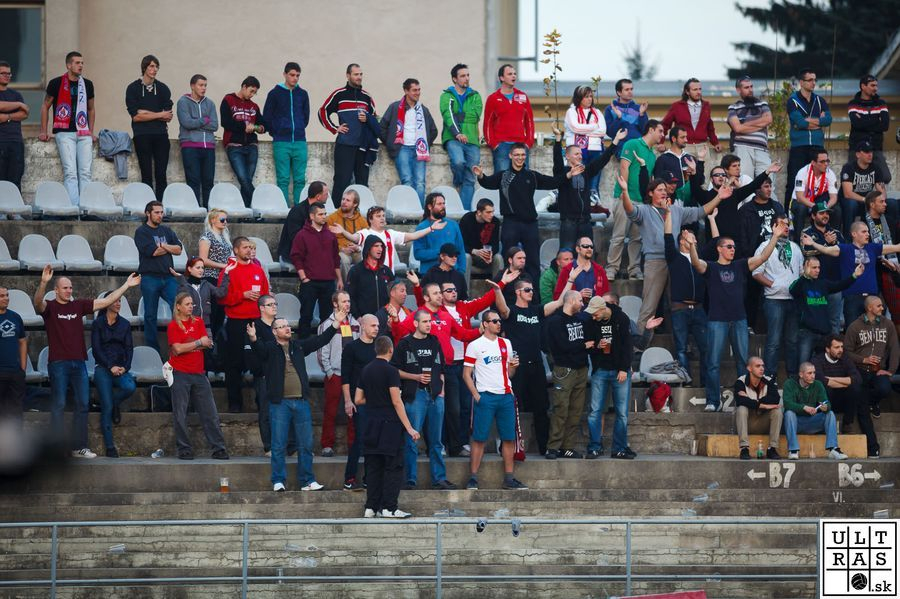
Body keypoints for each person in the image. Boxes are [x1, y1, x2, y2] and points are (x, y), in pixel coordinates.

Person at [34, 266, 140, 457]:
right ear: (56, 290)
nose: (69, 291)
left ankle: (79, 447)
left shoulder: (78, 305)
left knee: (83, 404)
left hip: (79, 363)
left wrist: (126, 285)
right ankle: (57, 448)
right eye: (65, 288)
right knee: (59, 405)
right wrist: (43, 282)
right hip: (58, 363)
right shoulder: (50, 307)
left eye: (70, 287)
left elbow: (106, 300)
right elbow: (37, 304)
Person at [689, 217, 787, 411]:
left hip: (739, 319)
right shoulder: (712, 267)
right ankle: (713, 401)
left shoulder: (740, 265)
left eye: (734, 246)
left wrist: (775, 237)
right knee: (713, 363)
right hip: (717, 320)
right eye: (729, 246)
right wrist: (692, 246)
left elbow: (762, 258)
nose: (733, 249)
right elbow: (696, 264)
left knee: (743, 363)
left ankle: (744, 400)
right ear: (719, 249)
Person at [620, 170, 731, 341]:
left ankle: (680, 344)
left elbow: (700, 212)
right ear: (651, 193)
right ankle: (639, 344)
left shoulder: (676, 210)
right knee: (649, 306)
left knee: (679, 305)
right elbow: (629, 210)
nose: (664, 192)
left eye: (665, 189)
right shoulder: (645, 210)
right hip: (655, 261)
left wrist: (719, 198)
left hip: (676, 261)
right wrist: (625, 192)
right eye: (660, 189)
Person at [248, 308, 344, 492]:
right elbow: (259, 350)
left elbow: (319, 340)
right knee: (278, 444)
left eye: (288, 326)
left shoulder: (297, 346)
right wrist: (253, 338)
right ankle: (278, 480)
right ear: (274, 331)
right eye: (282, 326)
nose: (287, 328)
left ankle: (307, 480)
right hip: (280, 403)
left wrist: (335, 324)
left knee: (306, 444)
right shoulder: (270, 348)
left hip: (301, 402)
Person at [438, 274, 513, 457]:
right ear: (440, 294)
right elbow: (420, 301)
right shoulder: (437, 311)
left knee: (465, 407)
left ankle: (462, 442)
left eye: (455, 289)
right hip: (446, 365)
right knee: (450, 408)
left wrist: (501, 284)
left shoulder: (463, 307)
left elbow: (484, 301)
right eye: (449, 290)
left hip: (465, 361)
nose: (453, 292)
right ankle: (444, 443)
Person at [494, 276, 568, 455]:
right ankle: (507, 446)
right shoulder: (511, 311)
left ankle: (545, 448)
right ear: (518, 292)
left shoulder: (536, 310)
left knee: (541, 408)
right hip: (517, 366)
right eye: (527, 290)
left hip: (536, 365)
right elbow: (502, 309)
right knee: (511, 407)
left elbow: (559, 302)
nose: (531, 292)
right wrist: (497, 289)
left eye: (532, 290)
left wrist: (571, 280)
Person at [473, 145, 560, 282]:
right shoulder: (503, 175)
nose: (520, 158)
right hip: (510, 223)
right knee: (509, 259)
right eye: (517, 155)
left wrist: (568, 175)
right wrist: (480, 175)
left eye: (523, 155)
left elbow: (552, 182)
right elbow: (488, 182)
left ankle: (533, 291)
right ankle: (507, 289)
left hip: (530, 224)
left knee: (533, 260)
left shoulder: (532, 175)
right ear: (510, 156)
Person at [463, 310, 527, 490]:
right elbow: (466, 374)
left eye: (499, 321)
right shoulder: (475, 345)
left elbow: (510, 373)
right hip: (486, 396)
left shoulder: (506, 343)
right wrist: (477, 396)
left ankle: (509, 478)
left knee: (508, 438)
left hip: (505, 395)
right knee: (479, 438)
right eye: (494, 321)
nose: (499, 324)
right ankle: (473, 477)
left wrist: (514, 367)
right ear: (485, 324)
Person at [356, 335, 419, 518]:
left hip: (370, 424)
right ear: (391, 350)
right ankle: (389, 508)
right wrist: (409, 428)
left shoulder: (366, 370)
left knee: (373, 467)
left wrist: (375, 399)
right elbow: (396, 401)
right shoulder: (391, 371)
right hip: (389, 425)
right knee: (393, 467)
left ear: (376, 349)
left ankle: (371, 507)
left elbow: (358, 399)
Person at [392, 309, 453, 490]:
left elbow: (441, 369)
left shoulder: (435, 341)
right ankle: (410, 480)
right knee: (411, 439)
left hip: (435, 395)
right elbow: (394, 370)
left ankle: (439, 479)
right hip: (415, 395)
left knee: (436, 441)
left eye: (430, 321)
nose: (429, 324)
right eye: (425, 321)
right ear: (415, 323)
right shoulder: (405, 344)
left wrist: (442, 392)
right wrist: (415, 377)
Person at [167, 292, 228, 460]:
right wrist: (198, 343)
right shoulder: (173, 326)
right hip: (180, 373)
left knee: (210, 413)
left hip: (199, 372)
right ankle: (184, 449)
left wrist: (190, 344)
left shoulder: (198, 321)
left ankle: (218, 448)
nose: (191, 307)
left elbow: (207, 343)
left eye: (192, 304)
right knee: (180, 414)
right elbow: (177, 349)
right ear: (178, 306)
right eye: (187, 304)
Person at [801, 220, 900, 325]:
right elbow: (827, 250)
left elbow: (897, 247)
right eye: (864, 232)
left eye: (867, 231)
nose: (867, 234)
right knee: (853, 331)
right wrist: (813, 243)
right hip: (852, 298)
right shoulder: (845, 248)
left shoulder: (874, 247)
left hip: (872, 297)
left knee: (873, 331)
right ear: (854, 234)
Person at [607, 120, 665, 281]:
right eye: (660, 131)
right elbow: (624, 167)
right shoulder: (632, 144)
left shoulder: (652, 155)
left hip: (642, 202)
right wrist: (623, 192)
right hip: (626, 198)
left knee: (637, 238)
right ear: (651, 130)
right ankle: (611, 269)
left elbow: (650, 178)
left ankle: (634, 269)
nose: (662, 135)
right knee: (619, 236)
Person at [551, 126, 625, 249]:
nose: (580, 156)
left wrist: (616, 140)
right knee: (567, 254)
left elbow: (603, 159)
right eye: (576, 154)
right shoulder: (562, 172)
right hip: (569, 222)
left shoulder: (586, 171)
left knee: (588, 254)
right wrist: (558, 140)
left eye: (581, 153)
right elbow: (557, 160)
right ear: (567, 156)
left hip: (585, 222)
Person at [218, 236, 270, 412]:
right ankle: (235, 403)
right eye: (245, 247)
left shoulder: (258, 270)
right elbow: (221, 298)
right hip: (236, 322)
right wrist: (243, 295)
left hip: (256, 321)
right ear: (236, 250)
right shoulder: (228, 271)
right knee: (234, 363)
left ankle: (262, 402)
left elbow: (265, 296)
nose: (249, 250)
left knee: (261, 362)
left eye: (250, 247)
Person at [39, 51, 95, 205]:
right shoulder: (56, 83)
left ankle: (86, 208)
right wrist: (43, 131)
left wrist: (91, 131)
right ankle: (73, 208)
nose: (81, 66)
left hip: (83, 133)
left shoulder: (87, 84)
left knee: (86, 173)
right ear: (68, 65)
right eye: (77, 63)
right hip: (64, 133)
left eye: (82, 63)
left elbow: (91, 109)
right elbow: (45, 106)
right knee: (70, 173)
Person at [319, 63, 378, 208]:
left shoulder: (366, 97)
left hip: (363, 147)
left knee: (362, 183)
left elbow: (375, 119)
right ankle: (335, 213)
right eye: (356, 74)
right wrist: (335, 128)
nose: (359, 77)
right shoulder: (339, 94)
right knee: (341, 181)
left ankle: (360, 214)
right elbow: (322, 112)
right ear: (348, 75)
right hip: (344, 145)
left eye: (361, 74)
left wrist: (368, 118)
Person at [582, 295, 634, 459]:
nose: (593, 317)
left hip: (620, 370)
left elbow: (628, 346)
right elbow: (588, 345)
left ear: (603, 309)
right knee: (595, 411)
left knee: (622, 413)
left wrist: (624, 368)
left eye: (595, 313)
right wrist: (597, 346)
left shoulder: (621, 318)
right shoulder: (590, 322)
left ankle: (619, 448)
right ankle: (594, 447)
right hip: (600, 370)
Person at [752, 215, 803, 378]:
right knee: (773, 341)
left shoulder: (795, 247)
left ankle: (793, 377)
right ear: (773, 226)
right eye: (782, 224)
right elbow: (756, 273)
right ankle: (770, 377)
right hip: (774, 300)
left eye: (788, 224)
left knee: (792, 341)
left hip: (793, 300)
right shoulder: (764, 246)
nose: (786, 227)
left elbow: (801, 272)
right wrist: (774, 285)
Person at [812, 335, 880, 458]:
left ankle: (848, 424)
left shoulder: (845, 359)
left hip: (844, 400)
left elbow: (857, 379)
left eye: (842, 347)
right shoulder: (817, 360)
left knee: (856, 389)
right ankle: (823, 424)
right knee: (824, 388)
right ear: (827, 349)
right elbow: (821, 381)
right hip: (826, 401)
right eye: (836, 347)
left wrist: (832, 379)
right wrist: (845, 382)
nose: (840, 350)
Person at [331, 205, 446, 275]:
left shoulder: (390, 234)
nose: (382, 218)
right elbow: (354, 238)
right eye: (378, 216)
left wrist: (431, 228)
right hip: (370, 276)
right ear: (370, 220)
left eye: (383, 216)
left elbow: (413, 236)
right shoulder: (365, 233)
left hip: (389, 276)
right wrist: (343, 232)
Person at [664, 209, 708, 385]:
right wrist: (668, 213)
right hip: (680, 309)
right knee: (681, 348)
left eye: (695, 238)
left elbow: (717, 243)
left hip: (699, 309)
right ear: (682, 240)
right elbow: (668, 237)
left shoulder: (700, 258)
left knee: (706, 348)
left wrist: (712, 219)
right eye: (690, 237)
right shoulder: (674, 257)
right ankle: (686, 383)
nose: (694, 240)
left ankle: (705, 383)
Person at [544, 290, 590, 459]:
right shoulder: (555, 321)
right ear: (571, 301)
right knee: (561, 408)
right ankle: (553, 447)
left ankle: (568, 447)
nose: (582, 304)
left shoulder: (580, 319)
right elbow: (562, 346)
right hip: (564, 370)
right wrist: (583, 346)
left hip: (581, 369)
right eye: (580, 301)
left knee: (576, 410)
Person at [791, 255, 862, 363]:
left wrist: (854, 275)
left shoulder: (822, 283)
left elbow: (839, 285)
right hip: (807, 333)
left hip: (824, 333)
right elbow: (792, 290)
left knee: (824, 366)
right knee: (803, 364)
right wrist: (804, 276)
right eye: (814, 267)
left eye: (818, 267)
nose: (817, 270)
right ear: (805, 267)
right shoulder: (801, 283)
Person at [90, 296, 137, 458]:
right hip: (103, 368)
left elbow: (129, 348)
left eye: (119, 301)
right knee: (107, 407)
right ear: (107, 303)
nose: (118, 304)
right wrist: (110, 366)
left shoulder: (125, 324)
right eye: (115, 301)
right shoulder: (98, 324)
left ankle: (114, 402)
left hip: (120, 369)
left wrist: (125, 367)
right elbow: (96, 349)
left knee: (129, 387)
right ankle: (110, 447)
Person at [134, 200, 183, 354]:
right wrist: (169, 248)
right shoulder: (141, 232)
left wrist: (163, 246)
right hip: (150, 277)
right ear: (148, 213)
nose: (160, 215)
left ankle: (179, 344)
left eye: (161, 212)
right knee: (150, 315)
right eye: (156, 212)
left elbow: (179, 249)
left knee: (179, 308)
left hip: (168, 277)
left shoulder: (167, 230)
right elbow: (153, 252)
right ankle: (153, 351)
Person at [379, 78, 437, 206]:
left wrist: (424, 145)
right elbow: (382, 127)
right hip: (402, 149)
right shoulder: (395, 107)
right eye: (414, 90)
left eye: (419, 90)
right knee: (407, 181)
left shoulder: (423, 110)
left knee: (420, 183)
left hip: (419, 150)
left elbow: (433, 131)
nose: (418, 93)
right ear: (406, 91)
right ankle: (409, 210)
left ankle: (420, 212)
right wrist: (390, 144)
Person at [316, 290, 358, 458]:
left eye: (349, 301)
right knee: (330, 411)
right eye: (343, 301)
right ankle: (327, 445)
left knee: (353, 411)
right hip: (335, 374)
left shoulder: (355, 323)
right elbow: (322, 350)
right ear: (335, 304)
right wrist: (329, 371)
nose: (347, 304)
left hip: (352, 374)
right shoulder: (327, 325)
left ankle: (353, 445)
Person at [291, 202, 342, 338]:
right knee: (306, 316)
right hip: (310, 282)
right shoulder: (302, 235)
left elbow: (335, 258)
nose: (324, 216)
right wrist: (304, 278)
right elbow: (296, 257)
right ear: (312, 216)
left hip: (328, 282)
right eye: (320, 214)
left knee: (327, 317)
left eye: (325, 214)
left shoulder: (330, 235)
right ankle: (303, 346)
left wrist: (339, 279)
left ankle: (326, 346)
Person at [843, 295, 899, 420]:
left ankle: (872, 402)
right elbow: (846, 351)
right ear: (869, 308)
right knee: (855, 390)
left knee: (884, 389)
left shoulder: (888, 324)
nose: (882, 308)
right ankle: (861, 407)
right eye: (879, 306)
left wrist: (891, 370)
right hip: (859, 369)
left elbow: (894, 348)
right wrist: (864, 359)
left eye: (882, 305)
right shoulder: (855, 326)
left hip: (878, 370)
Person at [125, 55, 172, 200]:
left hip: (161, 135)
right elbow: (136, 117)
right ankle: (148, 205)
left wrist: (145, 112)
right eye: (151, 66)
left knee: (161, 174)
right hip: (142, 135)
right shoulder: (133, 88)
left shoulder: (163, 89)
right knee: (146, 175)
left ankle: (161, 205)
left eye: (156, 66)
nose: (154, 69)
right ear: (144, 67)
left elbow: (168, 116)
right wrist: (159, 114)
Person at [341, 314, 380, 491]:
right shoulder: (352, 348)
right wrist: (348, 401)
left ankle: (369, 478)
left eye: (377, 326)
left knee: (375, 440)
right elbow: (345, 377)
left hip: (377, 401)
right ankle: (349, 477)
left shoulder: (379, 348)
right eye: (373, 325)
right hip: (359, 400)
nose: (376, 328)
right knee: (360, 438)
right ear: (363, 326)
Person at [263, 62, 309, 207]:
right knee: (282, 179)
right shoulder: (274, 94)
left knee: (300, 179)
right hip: (281, 142)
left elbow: (306, 117)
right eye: (292, 75)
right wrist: (276, 131)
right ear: (285, 74)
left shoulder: (303, 94)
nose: (295, 78)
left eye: (297, 75)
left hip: (300, 141)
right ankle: (283, 210)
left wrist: (299, 127)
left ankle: (299, 209)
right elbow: (267, 116)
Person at [782, 362, 847, 460]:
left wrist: (825, 407)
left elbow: (827, 403)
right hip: (795, 423)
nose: (813, 376)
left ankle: (833, 449)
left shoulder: (818, 384)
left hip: (812, 422)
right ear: (801, 374)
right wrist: (804, 407)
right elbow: (787, 404)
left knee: (830, 414)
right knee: (789, 413)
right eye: (809, 373)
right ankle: (793, 450)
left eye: (814, 373)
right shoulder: (789, 383)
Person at [785, 68, 832, 203]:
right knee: (794, 181)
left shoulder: (820, 100)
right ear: (801, 82)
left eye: (814, 80)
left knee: (819, 182)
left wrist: (808, 121)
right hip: (799, 147)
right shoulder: (793, 101)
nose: (813, 83)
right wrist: (818, 122)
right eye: (810, 80)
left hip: (817, 147)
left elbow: (828, 120)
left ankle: (817, 211)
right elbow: (799, 122)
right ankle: (787, 212)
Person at [440, 63, 483, 210]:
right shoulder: (446, 96)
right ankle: (457, 181)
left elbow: (475, 116)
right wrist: (458, 133)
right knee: (458, 162)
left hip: (472, 139)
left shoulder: (475, 95)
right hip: (453, 138)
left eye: (468, 75)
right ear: (454, 79)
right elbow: (448, 115)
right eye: (463, 76)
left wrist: (459, 115)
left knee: (470, 178)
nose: (467, 78)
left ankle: (465, 212)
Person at [800, 201, 845, 334]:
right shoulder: (806, 232)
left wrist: (834, 243)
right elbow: (806, 252)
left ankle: (834, 347)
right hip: (815, 285)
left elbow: (844, 252)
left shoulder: (836, 233)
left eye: (827, 213)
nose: (825, 215)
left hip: (834, 284)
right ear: (813, 216)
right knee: (816, 321)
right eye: (821, 213)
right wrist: (826, 243)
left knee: (835, 322)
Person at [221, 75, 265, 206]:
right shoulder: (228, 100)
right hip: (234, 146)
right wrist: (244, 126)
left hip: (251, 146)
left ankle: (246, 211)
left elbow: (263, 126)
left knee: (247, 180)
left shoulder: (254, 106)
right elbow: (225, 122)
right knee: (243, 179)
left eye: (255, 92)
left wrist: (255, 127)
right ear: (244, 87)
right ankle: (260, 204)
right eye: (251, 91)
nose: (252, 94)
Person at [483, 64, 534, 171]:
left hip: (520, 145)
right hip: (501, 146)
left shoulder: (523, 96)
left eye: (514, 74)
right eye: (510, 74)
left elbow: (529, 122)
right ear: (501, 78)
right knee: (503, 178)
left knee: (523, 178)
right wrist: (494, 144)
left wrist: (528, 143)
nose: (513, 76)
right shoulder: (493, 98)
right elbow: (487, 124)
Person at [176, 74, 217, 207]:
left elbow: (214, 125)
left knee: (208, 181)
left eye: (205, 85)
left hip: (209, 147)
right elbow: (186, 123)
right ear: (192, 86)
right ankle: (194, 211)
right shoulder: (183, 102)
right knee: (193, 181)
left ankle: (208, 212)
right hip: (190, 146)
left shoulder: (210, 103)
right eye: (200, 85)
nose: (203, 88)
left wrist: (196, 122)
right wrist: (205, 120)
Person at [661, 78, 721, 168]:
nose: (698, 92)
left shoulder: (706, 105)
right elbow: (665, 125)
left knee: (705, 175)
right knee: (685, 174)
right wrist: (660, 142)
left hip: (702, 146)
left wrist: (715, 143)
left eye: (700, 89)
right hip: (684, 146)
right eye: (695, 89)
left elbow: (709, 127)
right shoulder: (677, 106)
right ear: (687, 92)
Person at [734, 356, 783, 460]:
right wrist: (763, 405)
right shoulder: (740, 381)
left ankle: (772, 449)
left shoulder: (768, 380)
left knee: (777, 411)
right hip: (748, 423)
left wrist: (752, 401)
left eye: (762, 366)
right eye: (757, 366)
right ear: (749, 368)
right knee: (741, 408)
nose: (762, 368)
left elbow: (775, 399)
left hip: (764, 422)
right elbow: (740, 401)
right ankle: (744, 448)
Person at [564, 85, 608, 198]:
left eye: (591, 96)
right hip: (577, 151)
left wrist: (582, 131)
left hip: (595, 150)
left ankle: (594, 203)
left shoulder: (597, 112)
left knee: (594, 185)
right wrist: (594, 126)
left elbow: (602, 131)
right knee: (578, 182)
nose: (590, 99)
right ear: (579, 98)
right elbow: (575, 128)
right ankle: (578, 203)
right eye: (586, 97)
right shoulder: (571, 111)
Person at [840, 141, 891, 235]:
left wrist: (881, 201)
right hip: (850, 200)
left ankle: (889, 237)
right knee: (851, 205)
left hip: (866, 201)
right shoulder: (849, 167)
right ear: (858, 154)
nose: (870, 154)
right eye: (867, 152)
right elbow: (848, 194)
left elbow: (881, 190)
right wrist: (866, 199)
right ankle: (848, 237)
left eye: (871, 152)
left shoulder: (876, 168)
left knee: (892, 204)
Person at [727, 76, 773, 179]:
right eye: (746, 87)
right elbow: (737, 129)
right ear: (738, 90)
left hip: (762, 148)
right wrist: (761, 123)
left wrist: (745, 124)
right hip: (742, 148)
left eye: (751, 86)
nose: (750, 90)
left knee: (768, 180)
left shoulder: (762, 104)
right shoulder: (733, 107)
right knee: (745, 181)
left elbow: (769, 120)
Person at [848, 75, 891, 184]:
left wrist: (863, 121)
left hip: (875, 148)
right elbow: (856, 124)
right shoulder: (853, 103)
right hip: (856, 149)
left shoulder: (881, 103)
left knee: (885, 177)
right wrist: (876, 121)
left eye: (876, 86)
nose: (876, 88)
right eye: (872, 85)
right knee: (852, 179)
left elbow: (885, 126)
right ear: (863, 86)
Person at [197, 208, 232, 336]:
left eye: (226, 219)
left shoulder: (224, 237)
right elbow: (203, 260)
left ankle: (216, 341)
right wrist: (223, 266)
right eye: (222, 219)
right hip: (210, 277)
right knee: (212, 311)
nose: (225, 222)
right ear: (213, 220)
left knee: (221, 312)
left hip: (223, 278)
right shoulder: (206, 237)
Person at [790, 149, 838, 240]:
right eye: (822, 162)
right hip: (801, 201)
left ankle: (835, 239)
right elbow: (799, 197)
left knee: (837, 209)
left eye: (827, 161)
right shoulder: (802, 172)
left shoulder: (830, 173)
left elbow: (834, 197)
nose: (826, 164)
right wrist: (815, 207)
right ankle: (798, 240)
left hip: (818, 199)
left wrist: (826, 207)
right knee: (801, 209)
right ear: (813, 163)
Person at [414, 192, 466, 274]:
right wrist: (441, 252)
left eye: (444, 203)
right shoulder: (422, 227)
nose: (443, 206)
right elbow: (418, 254)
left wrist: (461, 271)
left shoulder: (453, 225)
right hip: (430, 274)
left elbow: (460, 250)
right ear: (430, 207)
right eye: (439, 204)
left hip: (452, 273)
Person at [277, 180, 329, 264]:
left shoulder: (320, 209)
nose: (328, 197)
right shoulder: (297, 211)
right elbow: (296, 238)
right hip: (292, 254)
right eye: (326, 194)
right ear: (318, 196)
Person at [346, 236, 393, 318]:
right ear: (368, 248)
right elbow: (350, 296)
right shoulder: (356, 271)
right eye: (376, 246)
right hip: (364, 319)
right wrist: (357, 317)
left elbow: (394, 295)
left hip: (385, 318)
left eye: (381, 246)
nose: (380, 249)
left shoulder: (386, 271)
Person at [553, 236, 610, 302]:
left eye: (591, 247)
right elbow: (557, 297)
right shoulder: (567, 270)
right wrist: (578, 295)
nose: (589, 249)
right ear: (577, 249)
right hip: (574, 308)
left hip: (595, 308)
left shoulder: (600, 270)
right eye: (585, 246)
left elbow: (606, 295)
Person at [326, 188, 367, 281]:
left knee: (366, 259)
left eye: (348, 200)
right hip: (340, 251)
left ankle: (363, 286)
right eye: (343, 199)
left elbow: (368, 238)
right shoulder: (331, 219)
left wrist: (358, 247)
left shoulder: (361, 220)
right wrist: (342, 248)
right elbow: (326, 241)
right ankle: (347, 287)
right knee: (344, 261)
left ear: (355, 204)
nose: (344, 202)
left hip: (356, 250)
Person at [0, 61, 28, 191]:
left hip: (16, 142)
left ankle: (14, 204)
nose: (7, 76)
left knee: (15, 181)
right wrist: (19, 104)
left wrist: (7, 117)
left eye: (9, 73)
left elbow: (25, 113)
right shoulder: (18, 100)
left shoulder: (16, 95)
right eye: (3, 73)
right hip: (1, 141)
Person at [0, 286, 26, 422]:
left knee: (16, 413)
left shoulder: (15, 317)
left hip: (15, 373)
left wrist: (22, 368)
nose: (6, 298)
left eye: (7, 295)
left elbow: (22, 341)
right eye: (2, 296)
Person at [604, 78, 649, 156]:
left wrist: (642, 115)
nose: (630, 92)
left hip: (639, 148)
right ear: (619, 92)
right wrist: (618, 118)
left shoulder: (639, 108)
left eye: (631, 89)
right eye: (627, 89)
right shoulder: (610, 109)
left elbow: (645, 132)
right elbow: (610, 133)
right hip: (621, 150)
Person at [459, 198, 502, 277]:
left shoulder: (495, 221)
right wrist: (473, 251)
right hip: (471, 254)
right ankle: (464, 285)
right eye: (488, 212)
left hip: (486, 255)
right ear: (479, 212)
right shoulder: (467, 219)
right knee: (466, 257)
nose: (491, 215)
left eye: (492, 212)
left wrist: (491, 253)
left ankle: (498, 285)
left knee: (498, 258)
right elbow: (460, 244)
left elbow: (496, 245)